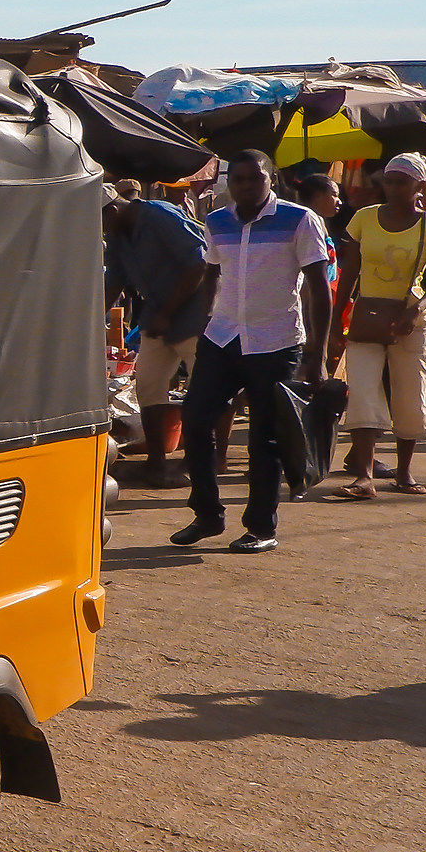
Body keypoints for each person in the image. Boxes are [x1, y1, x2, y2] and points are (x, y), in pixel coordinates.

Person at [172, 150, 331, 554]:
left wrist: (318, 352)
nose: (244, 186)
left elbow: (317, 285)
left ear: (270, 179)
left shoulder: (299, 219)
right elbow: (212, 271)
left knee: (265, 438)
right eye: (238, 179)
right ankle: (207, 514)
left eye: (253, 178)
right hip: (222, 337)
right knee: (194, 420)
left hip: (275, 341)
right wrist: (204, 322)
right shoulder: (217, 221)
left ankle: (261, 527)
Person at [328, 152, 426, 500]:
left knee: (409, 394)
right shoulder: (364, 218)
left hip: (412, 324)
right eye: (389, 180)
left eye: (402, 181)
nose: (393, 187)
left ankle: (404, 471)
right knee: (363, 393)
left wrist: (419, 311)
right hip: (366, 320)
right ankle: (363, 477)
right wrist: (337, 322)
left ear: (419, 185)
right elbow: (348, 274)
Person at [104, 181, 211, 488]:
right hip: (158, 318)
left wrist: (167, 311)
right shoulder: (117, 233)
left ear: (112, 210)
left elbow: (198, 263)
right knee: (148, 385)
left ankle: (197, 462)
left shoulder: (159, 215)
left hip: (194, 314)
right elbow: (115, 280)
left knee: (202, 389)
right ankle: (156, 462)